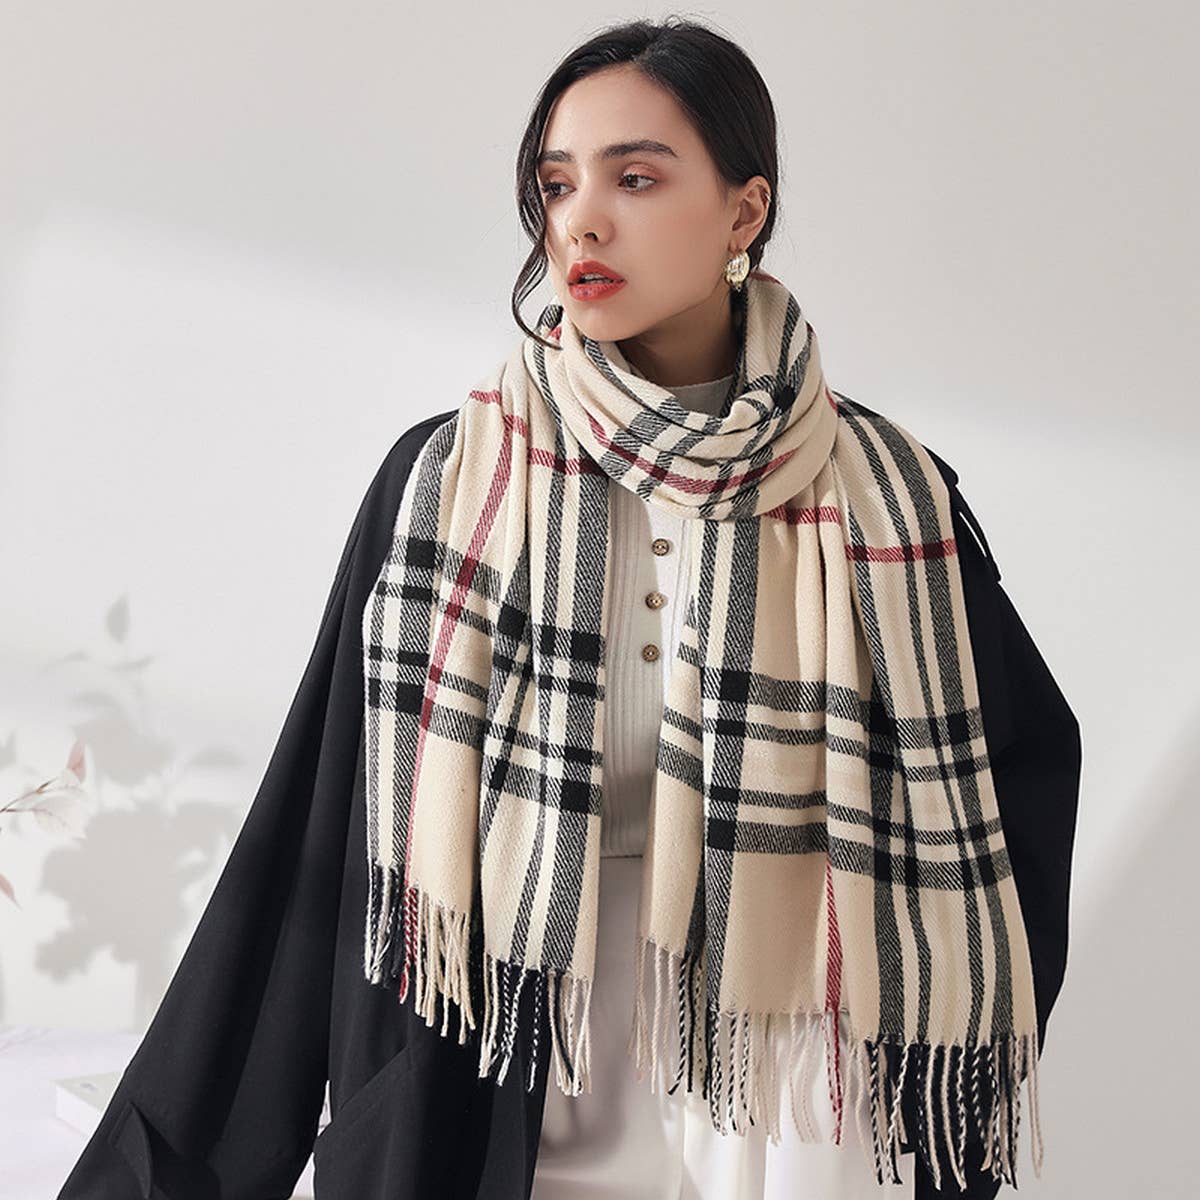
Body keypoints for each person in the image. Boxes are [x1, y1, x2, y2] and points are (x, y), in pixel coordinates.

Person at [58, 17, 1082, 1200]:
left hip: (791, 1113)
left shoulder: (887, 496)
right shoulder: (451, 485)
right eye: (557, 185)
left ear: (743, 213)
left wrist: (936, 1059)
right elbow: (317, 826)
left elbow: (1015, 785)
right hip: (496, 1073)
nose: (580, 223)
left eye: (635, 178)